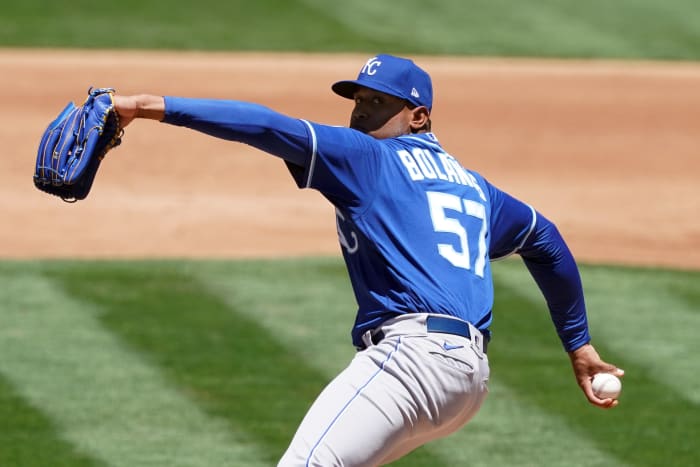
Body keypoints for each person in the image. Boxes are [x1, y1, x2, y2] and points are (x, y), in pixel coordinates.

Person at [111, 54, 624, 466]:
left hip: (414, 362)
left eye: (379, 103)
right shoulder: (475, 187)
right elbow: (546, 239)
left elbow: (267, 125)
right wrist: (578, 344)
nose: (360, 112)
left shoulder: (368, 157)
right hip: (468, 382)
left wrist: (147, 106)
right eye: (358, 99)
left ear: (418, 116)